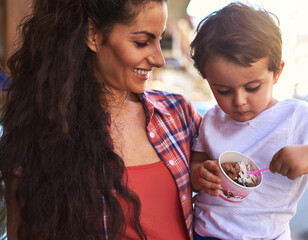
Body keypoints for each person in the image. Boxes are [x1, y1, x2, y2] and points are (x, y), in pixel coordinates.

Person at [0, 0, 201, 239]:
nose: (159, 59)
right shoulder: (43, 132)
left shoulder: (178, 114)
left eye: (160, 39)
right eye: (142, 42)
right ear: (93, 35)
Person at [189, 2, 308, 240]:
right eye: (223, 90)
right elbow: (195, 164)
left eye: (252, 87)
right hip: (205, 232)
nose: (239, 101)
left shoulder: (295, 117)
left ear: (277, 72)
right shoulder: (211, 119)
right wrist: (199, 175)